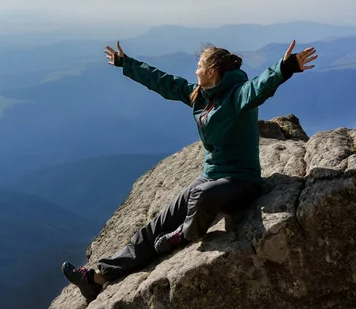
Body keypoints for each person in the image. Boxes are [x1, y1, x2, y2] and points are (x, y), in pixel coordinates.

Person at [61, 40, 318, 301]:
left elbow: (258, 88)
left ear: (213, 71)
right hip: (212, 176)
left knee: (204, 196)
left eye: (199, 67)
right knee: (154, 226)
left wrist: (285, 68)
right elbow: (164, 82)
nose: (195, 71)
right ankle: (96, 278)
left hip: (241, 180)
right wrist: (126, 63)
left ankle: (183, 235)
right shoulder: (200, 96)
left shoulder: (237, 96)